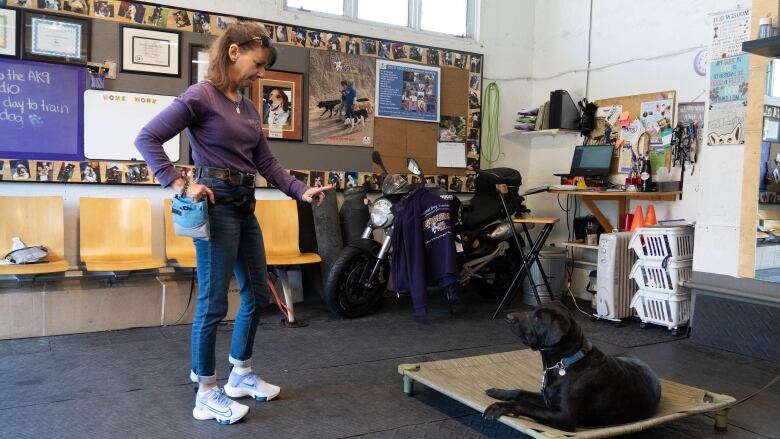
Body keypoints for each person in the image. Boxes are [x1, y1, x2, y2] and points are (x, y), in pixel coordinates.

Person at [135, 22, 330, 425]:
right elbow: (147, 138)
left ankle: (240, 375)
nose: (261, 74)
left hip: (244, 206)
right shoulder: (200, 95)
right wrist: (179, 183)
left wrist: (300, 190)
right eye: (258, 64)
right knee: (213, 302)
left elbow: (266, 163)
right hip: (215, 206)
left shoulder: (247, 106)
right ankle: (206, 392)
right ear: (234, 52)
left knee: (258, 294)